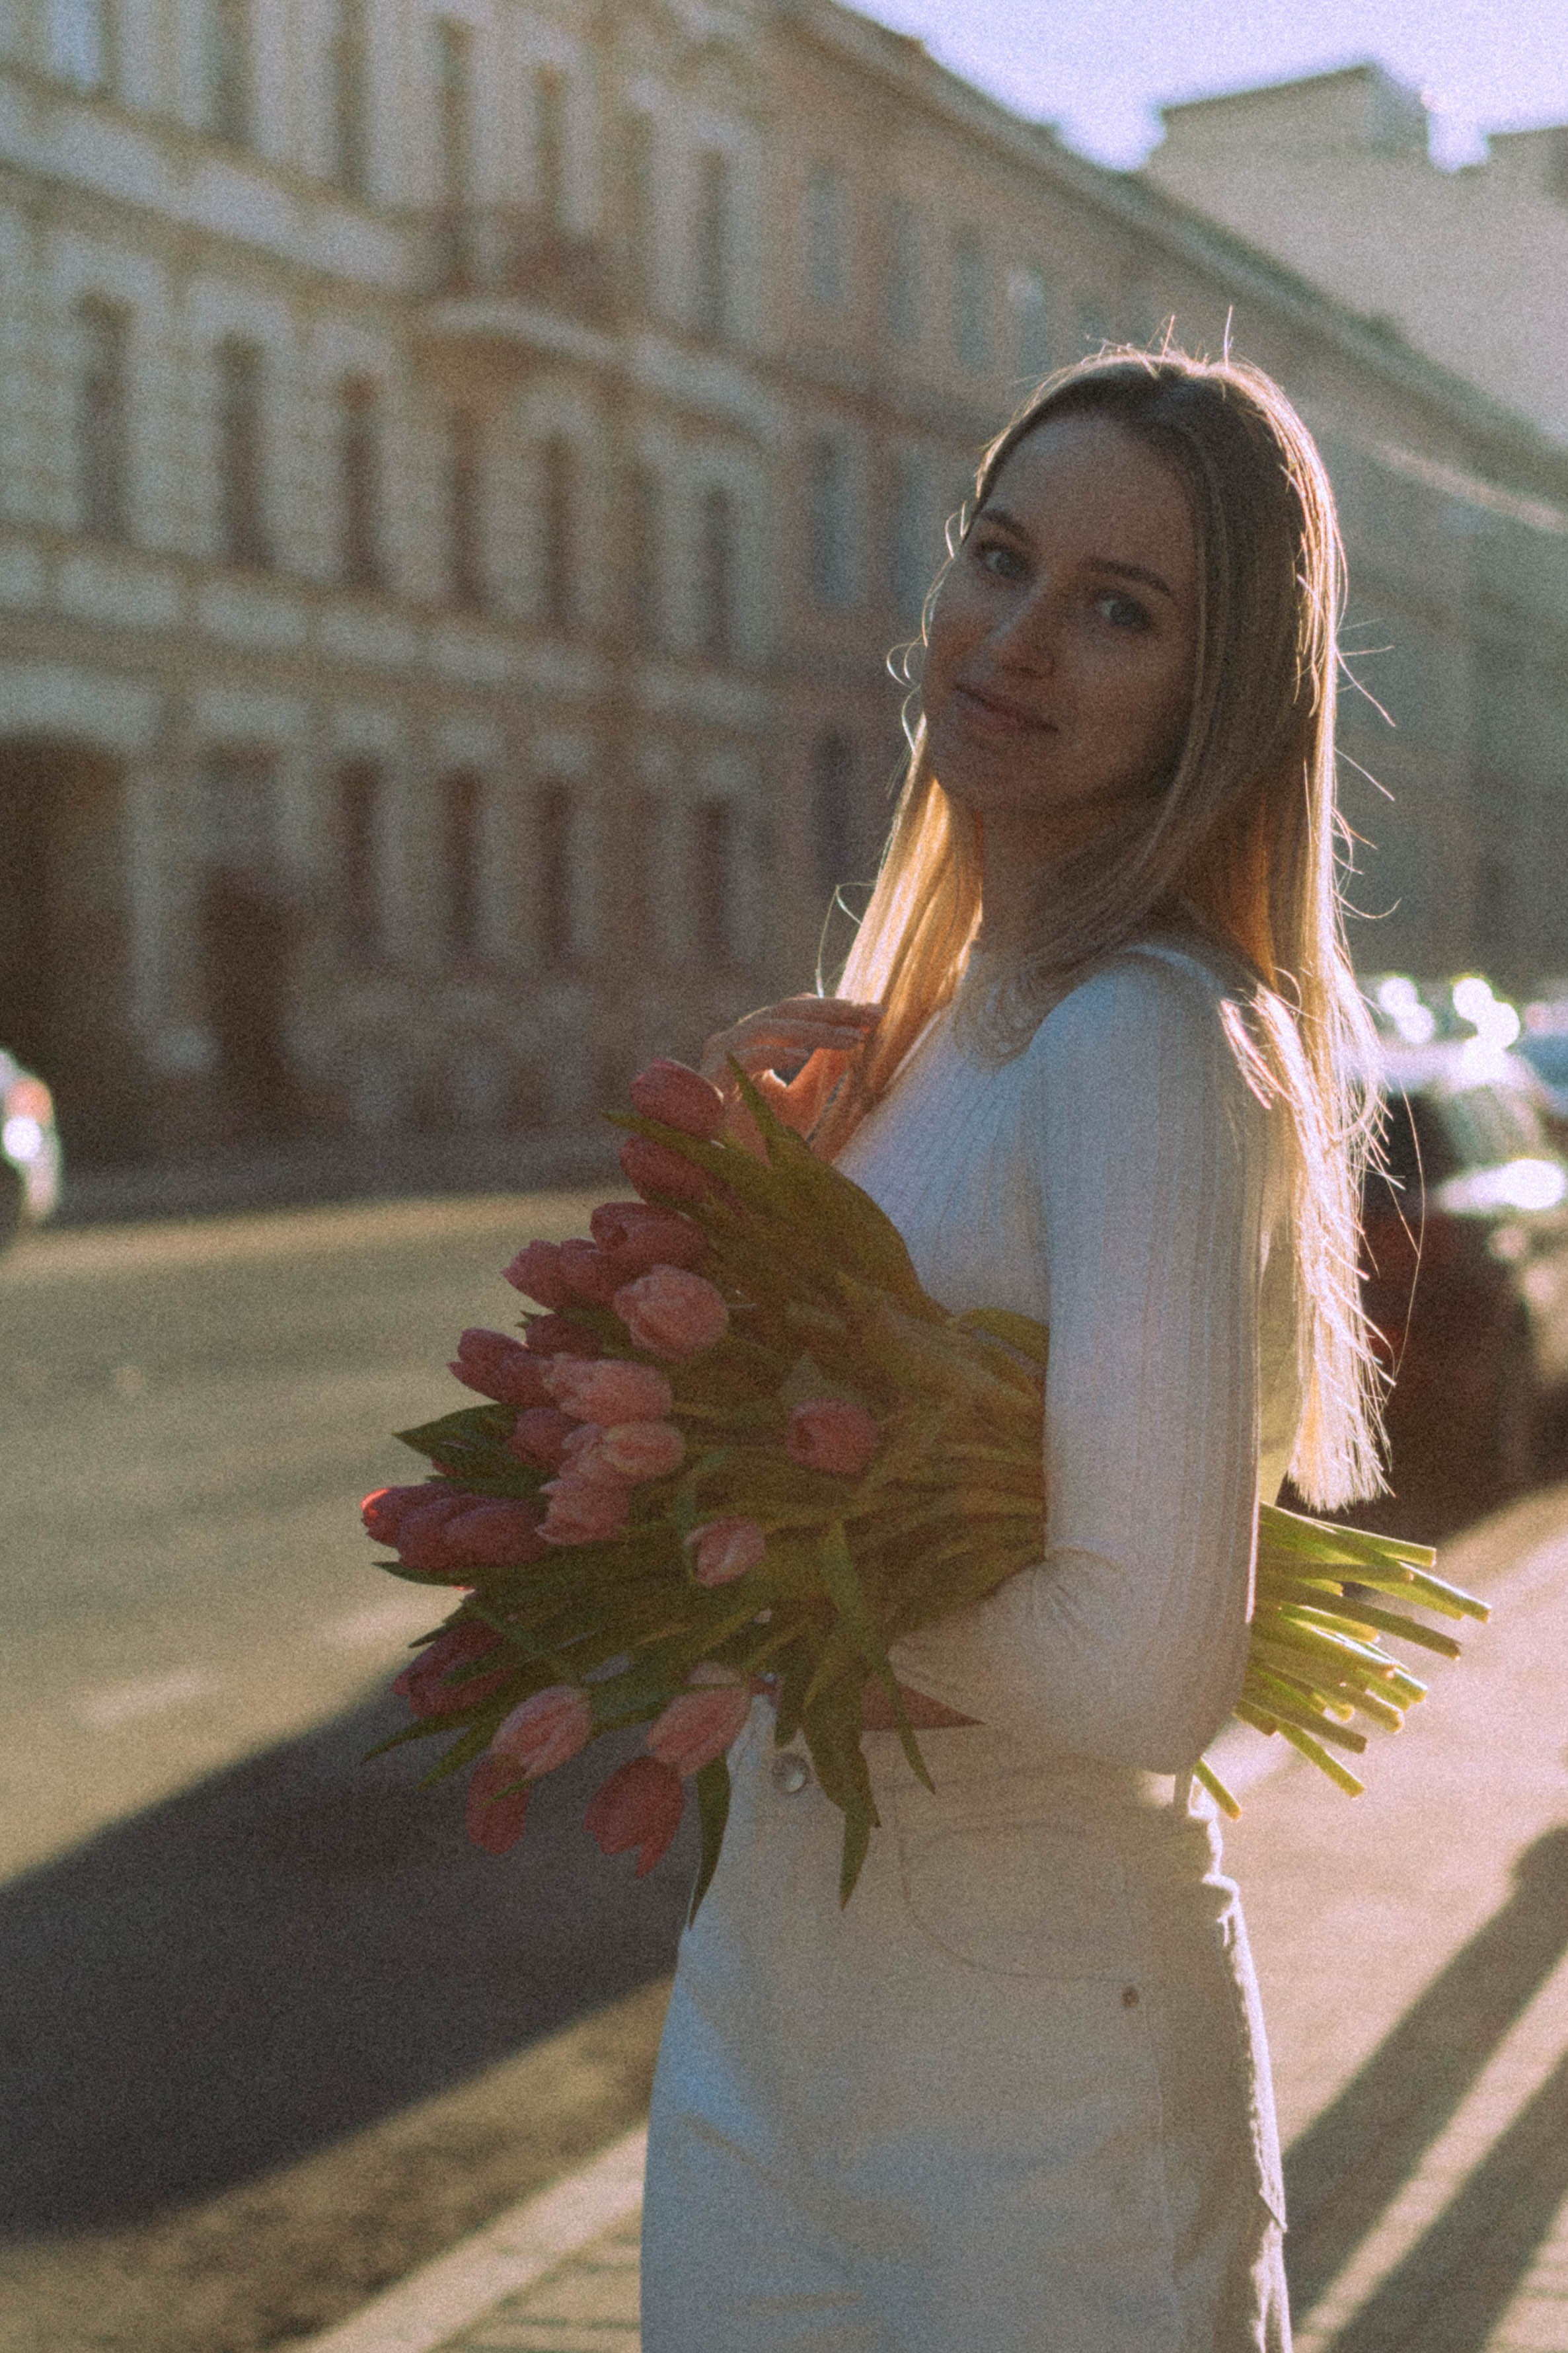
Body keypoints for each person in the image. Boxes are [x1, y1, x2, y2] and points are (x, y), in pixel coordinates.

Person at [639, 347, 1386, 2353]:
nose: (1018, 638)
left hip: (1035, 2065)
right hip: (780, 1992)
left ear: (1218, 697)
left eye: (1120, 609)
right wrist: (750, 1200)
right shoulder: (929, 1029)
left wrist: (778, 1589)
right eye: (1000, 557)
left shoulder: (1147, 1039)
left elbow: (1145, 1668)